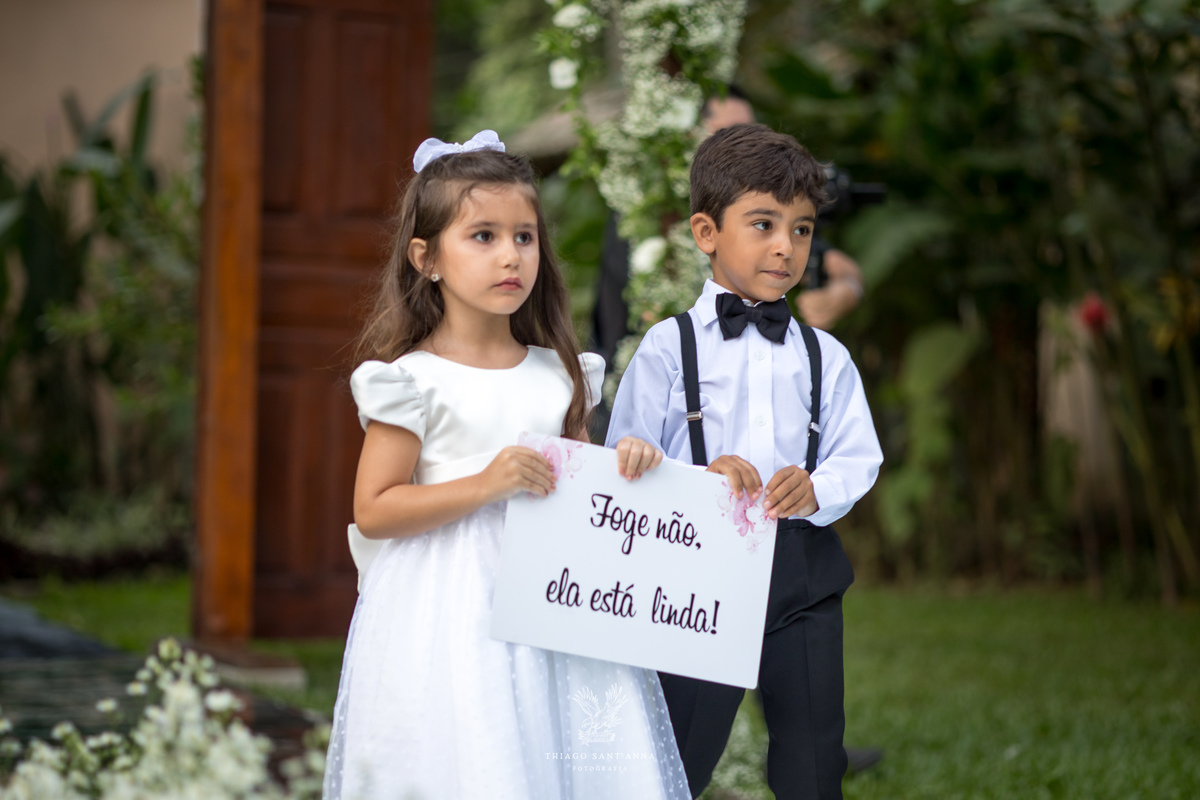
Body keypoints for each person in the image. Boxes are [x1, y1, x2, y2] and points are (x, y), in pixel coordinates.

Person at [323, 131, 691, 800]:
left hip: (552, 592)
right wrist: (485, 484)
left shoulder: (560, 374)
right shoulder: (412, 381)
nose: (510, 255)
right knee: (474, 742)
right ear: (426, 258)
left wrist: (626, 463)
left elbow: (582, 489)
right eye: (483, 236)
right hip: (446, 601)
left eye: (524, 237)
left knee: (556, 739)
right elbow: (374, 509)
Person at [604, 124, 884, 799]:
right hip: (697, 574)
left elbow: (858, 453)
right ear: (706, 232)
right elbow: (625, 460)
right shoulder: (668, 348)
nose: (785, 246)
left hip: (801, 576)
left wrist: (817, 487)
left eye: (801, 229)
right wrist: (696, 481)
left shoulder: (825, 355)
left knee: (813, 755)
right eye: (763, 224)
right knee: (681, 751)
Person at [590, 89, 865, 376]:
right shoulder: (646, 212)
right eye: (725, 132)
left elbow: (842, 270)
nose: (741, 145)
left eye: (749, 133)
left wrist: (842, 293)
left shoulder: (770, 216)